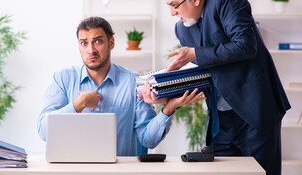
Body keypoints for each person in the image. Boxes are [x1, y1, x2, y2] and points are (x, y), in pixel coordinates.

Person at [139, 0, 291, 175]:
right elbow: (206, 71)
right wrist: (164, 89)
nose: (172, 13)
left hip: (254, 112)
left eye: (174, 5)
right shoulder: (182, 29)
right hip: (221, 122)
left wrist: (194, 53)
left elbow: (246, 45)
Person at [37, 16, 206, 156]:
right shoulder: (62, 79)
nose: (91, 50)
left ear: (111, 43)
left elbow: (148, 140)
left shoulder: (134, 81)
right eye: (84, 43)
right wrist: (78, 104)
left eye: (97, 41)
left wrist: (168, 109)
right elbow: (44, 131)